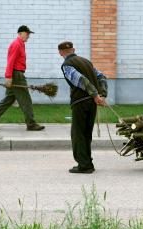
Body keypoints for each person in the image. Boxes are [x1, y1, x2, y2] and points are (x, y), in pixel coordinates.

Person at [58, 41, 108, 174]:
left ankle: (84, 165)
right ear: (73, 50)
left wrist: (95, 94)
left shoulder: (67, 65)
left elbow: (80, 80)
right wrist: (102, 94)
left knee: (78, 133)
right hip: (92, 103)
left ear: (60, 52)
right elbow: (101, 76)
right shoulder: (87, 62)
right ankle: (88, 163)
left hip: (80, 102)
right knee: (87, 133)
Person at [0, 25, 44, 131]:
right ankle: (31, 124)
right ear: (20, 33)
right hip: (16, 75)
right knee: (26, 100)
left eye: (29, 34)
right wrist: (8, 77)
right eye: (27, 33)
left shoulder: (21, 44)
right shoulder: (16, 44)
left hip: (16, 74)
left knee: (9, 99)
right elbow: (11, 61)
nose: (28, 36)